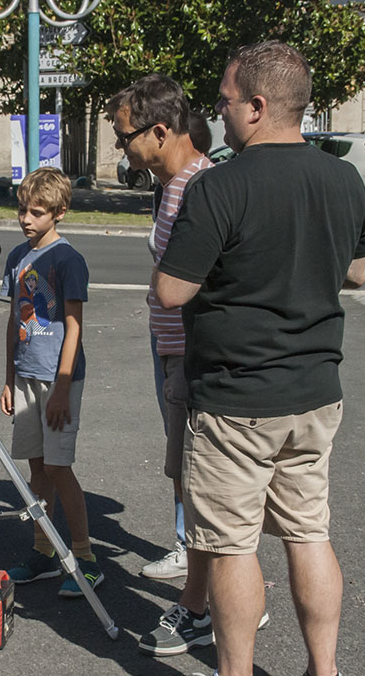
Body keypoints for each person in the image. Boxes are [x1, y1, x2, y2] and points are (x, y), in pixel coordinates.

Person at [154, 41, 365, 676]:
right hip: (315, 393)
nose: (218, 113)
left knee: (229, 546)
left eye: (225, 101)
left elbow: (171, 291)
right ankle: (324, 669)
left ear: (256, 105)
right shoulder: (345, 178)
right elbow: (357, 273)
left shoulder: (219, 186)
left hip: (236, 398)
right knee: (309, 533)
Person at [106, 76, 240, 656]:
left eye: (124, 137)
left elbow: (202, 281)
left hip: (191, 353)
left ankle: (206, 609)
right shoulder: (170, 186)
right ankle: (224, 597)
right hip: (172, 348)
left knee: (203, 482)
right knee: (188, 476)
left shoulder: (199, 188)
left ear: (159, 132)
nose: (121, 148)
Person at [0, 166, 99, 598]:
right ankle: (42, 551)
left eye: (36, 212)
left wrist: (61, 388)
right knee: (37, 466)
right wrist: (9, 378)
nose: (26, 219)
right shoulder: (17, 257)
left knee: (59, 467)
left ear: (59, 212)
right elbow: (13, 320)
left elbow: (74, 326)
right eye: (22, 209)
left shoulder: (67, 259)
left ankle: (86, 558)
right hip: (25, 374)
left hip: (59, 380)